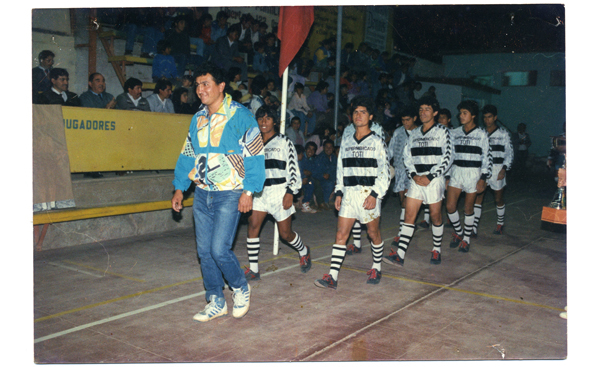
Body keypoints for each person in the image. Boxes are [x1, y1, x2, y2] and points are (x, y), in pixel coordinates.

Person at [171, 63, 265, 322]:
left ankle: (240, 287)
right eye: (198, 85)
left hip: (230, 193)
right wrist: (180, 187)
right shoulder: (197, 118)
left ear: (221, 86)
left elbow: (255, 155)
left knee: (219, 249)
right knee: (204, 251)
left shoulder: (241, 116)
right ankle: (216, 300)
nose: (200, 90)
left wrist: (249, 191)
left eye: (206, 84)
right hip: (202, 193)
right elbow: (188, 154)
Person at [315, 96, 390, 290]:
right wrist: (339, 192)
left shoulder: (377, 142)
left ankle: (376, 267)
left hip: (368, 193)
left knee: (373, 233)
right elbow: (340, 170)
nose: (358, 115)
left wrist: (375, 195)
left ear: (370, 116)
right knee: (341, 234)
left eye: (363, 112)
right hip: (349, 194)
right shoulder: (346, 141)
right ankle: (332, 276)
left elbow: (386, 172)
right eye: (356, 112)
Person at [383, 96, 453, 267]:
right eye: (421, 109)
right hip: (416, 180)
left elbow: (448, 157)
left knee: (436, 217)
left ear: (435, 112)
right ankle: (399, 255)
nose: (423, 112)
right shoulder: (413, 133)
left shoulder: (443, 132)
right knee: (409, 215)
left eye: (427, 109)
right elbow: (407, 157)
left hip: (434, 180)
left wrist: (430, 176)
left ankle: (437, 249)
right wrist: (414, 175)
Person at [244, 105, 311, 281]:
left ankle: (304, 251)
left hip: (279, 192)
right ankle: (253, 269)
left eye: (267, 118)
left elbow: (294, 170)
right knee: (252, 226)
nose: (263, 122)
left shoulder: (284, 141)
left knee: (285, 234)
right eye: (260, 118)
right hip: (259, 192)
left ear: (275, 121)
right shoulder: (252, 143)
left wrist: (290, 192)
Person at [445, 100, 492, 253]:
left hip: (473, 173)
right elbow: (449, 156)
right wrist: (447, 176)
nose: (461, 116)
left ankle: (466, 239)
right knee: (450, 206)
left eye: (465, 113)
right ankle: (459, 232)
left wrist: (483, 178)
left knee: (468, 208)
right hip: (457, 171)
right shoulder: (454, 133)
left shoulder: (481, 134)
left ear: (472, 116)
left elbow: (486, 157)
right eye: (460, 113)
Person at [473, 105, 514, 236]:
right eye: (484, 117)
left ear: (495, 117)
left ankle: (500, 224)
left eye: (489, 117)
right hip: (483, 170)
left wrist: (504, 169)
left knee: (498, 199)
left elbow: (509, 153)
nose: (487, 120)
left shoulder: (503, 133)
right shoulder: (481, 133)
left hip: (497, 169)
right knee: (478, 197)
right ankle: (473, 227)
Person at [387, 106, 420, 251]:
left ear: (414, 119)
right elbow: (391, 150)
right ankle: (406, 227)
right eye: (403, 120)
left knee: (407, 201)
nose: (405, 123)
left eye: (408, 120)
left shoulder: (420, 132)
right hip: (400, 170)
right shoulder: (398, 132)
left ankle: (402, 233)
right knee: (403, 202)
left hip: (413, 172)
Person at [313, 139, 337, 210]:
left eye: (330, 147)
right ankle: (324, 202)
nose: (328, 149)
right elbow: (314, 173)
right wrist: (322, 175)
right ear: (323, 148)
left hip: (331, 179)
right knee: (329, 183)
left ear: (333, 148)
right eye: (326, 147)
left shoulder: (334, 157)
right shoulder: (319, 158)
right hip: (320, 181)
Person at [295, 144, 317, 214]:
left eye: (313, 149)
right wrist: (303, 177)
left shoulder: (312, 159)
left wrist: (307, 174)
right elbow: (300, 170)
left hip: (305, 180)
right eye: (309, 149)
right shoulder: (300, 159)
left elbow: (313, 172)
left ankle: (305, 204)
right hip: (296, 181)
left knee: (310, 183)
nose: (310, 151)